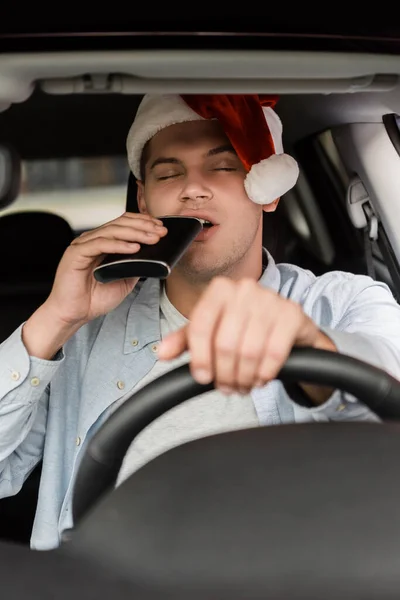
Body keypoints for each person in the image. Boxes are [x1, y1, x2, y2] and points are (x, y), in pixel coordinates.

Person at [1, 93, 400, 551]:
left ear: (265, 192)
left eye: (223, 167)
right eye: (169, 173)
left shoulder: (341, 301)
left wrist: (316, 350)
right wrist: (57, 316)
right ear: (144, 199)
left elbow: (390, 375)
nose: (193, 189)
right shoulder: (82, 331)